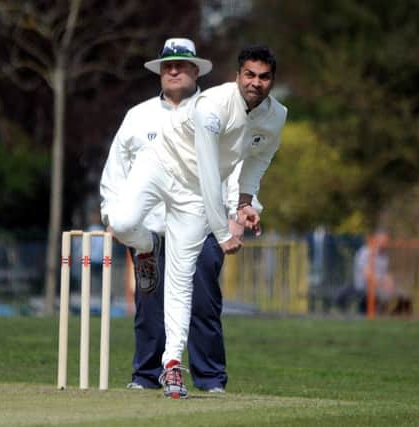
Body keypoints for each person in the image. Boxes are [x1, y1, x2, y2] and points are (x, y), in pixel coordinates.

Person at [105, 44, 287, 398]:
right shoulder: (213, 107)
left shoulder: (276, 115)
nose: (256, 83)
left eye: (264, 77)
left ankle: (172, 366)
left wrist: (246, 201)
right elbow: (208, 170)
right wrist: (222, 231)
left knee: (180, 279)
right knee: (124, 223)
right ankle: (146, 248)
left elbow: (258, 158)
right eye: (249, 75)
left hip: (191, 195)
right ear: (238, 76)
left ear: (272, 81)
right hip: (161, 164)